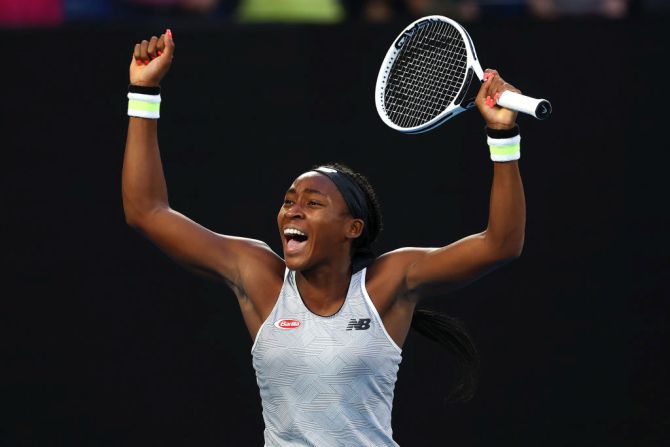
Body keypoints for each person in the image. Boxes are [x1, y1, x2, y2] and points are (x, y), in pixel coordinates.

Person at [123, 29, 525, 446]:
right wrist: (143, 89)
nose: (292, 210)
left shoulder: (390, 282)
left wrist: (502, 136)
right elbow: (147, 211)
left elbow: (501, 244)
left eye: (313, 203)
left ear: (352, 228)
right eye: (288, 201)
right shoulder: (259, 277)